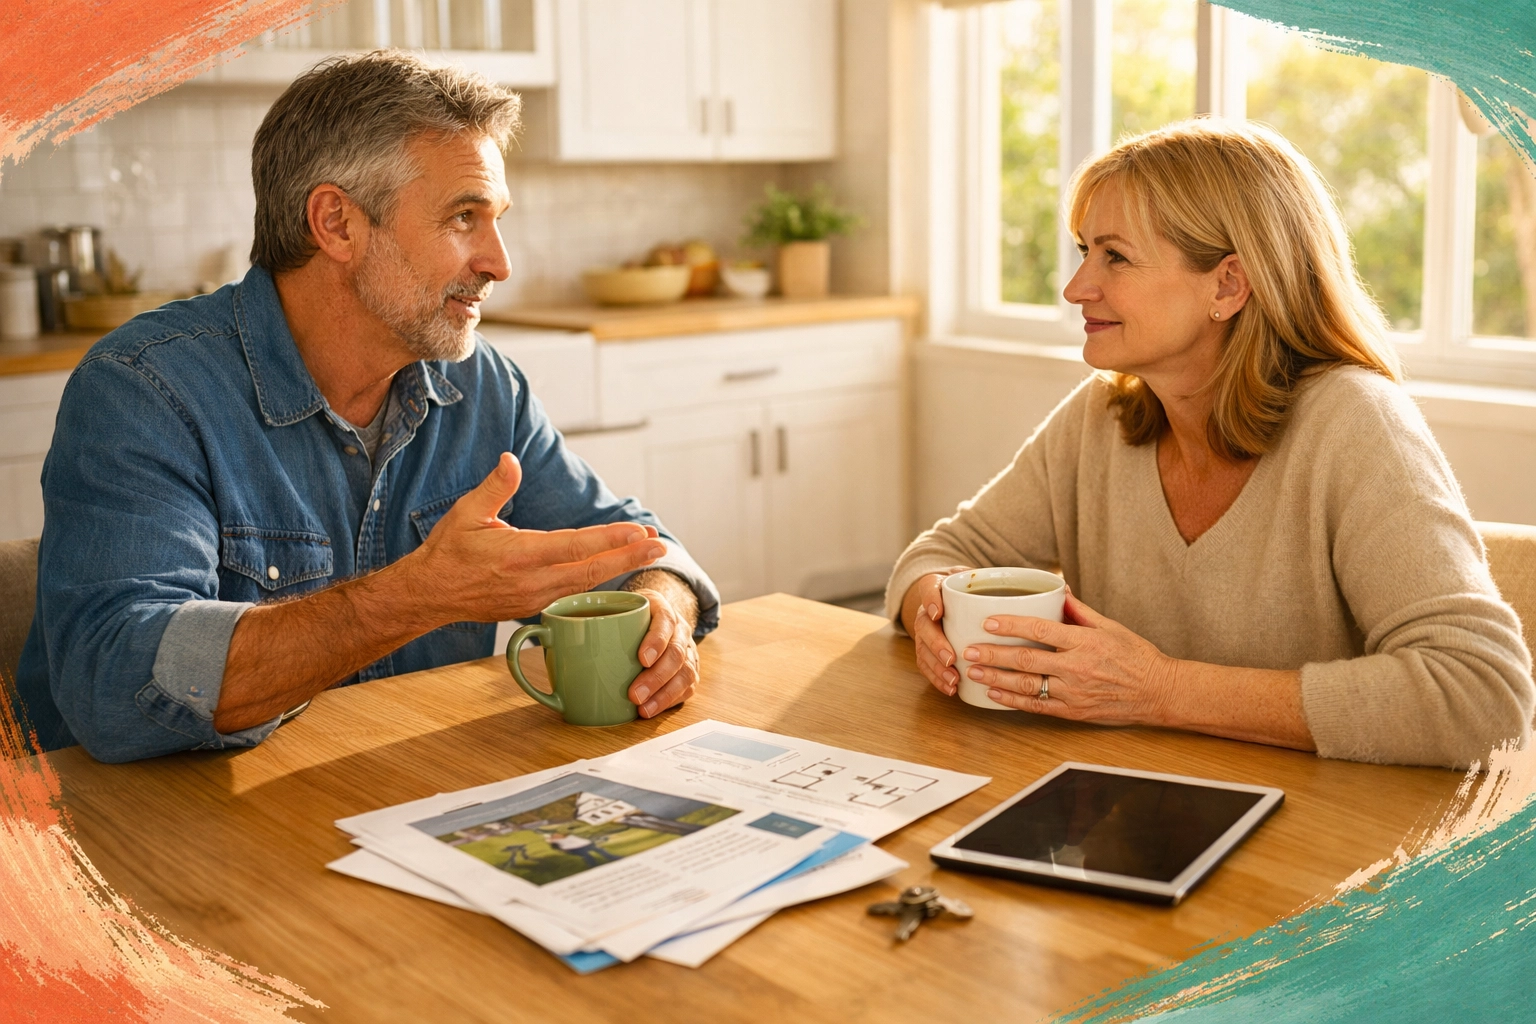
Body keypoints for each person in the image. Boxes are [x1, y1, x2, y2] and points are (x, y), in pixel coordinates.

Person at [14, 51, 719, 762]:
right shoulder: (145, 390)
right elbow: (113, 687)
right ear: (337, 223)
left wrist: (663, 611)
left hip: (385, 804)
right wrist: (414, 596)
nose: (499, 262)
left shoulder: (482, 388)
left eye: (495, 218)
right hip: (144, 840)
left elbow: (634, 547)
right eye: (463, 217)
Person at [889, 119, 1533, 769]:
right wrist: (931, 610)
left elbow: (1482, 697)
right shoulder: (1102, 417)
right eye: (1084, 250)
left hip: (1321, 845)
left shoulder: (1356, 425)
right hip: (1128, 812)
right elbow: (942, 555)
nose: (1077, 287)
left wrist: (1160, 691)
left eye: (1115, 255)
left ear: (1227, 285)